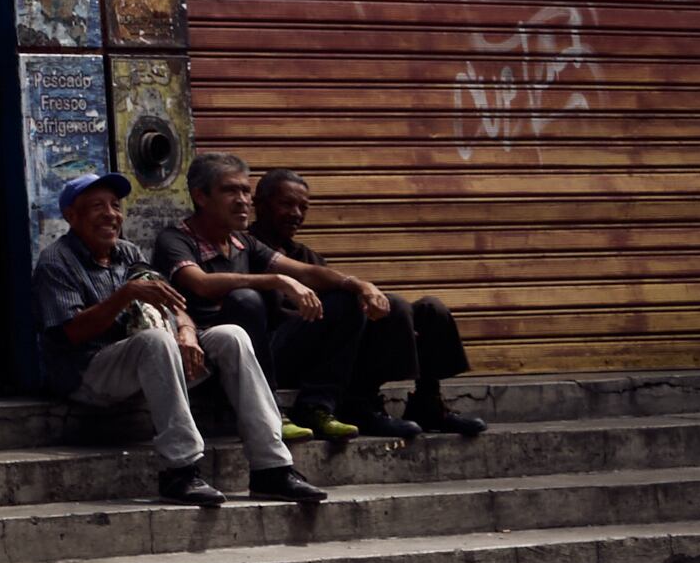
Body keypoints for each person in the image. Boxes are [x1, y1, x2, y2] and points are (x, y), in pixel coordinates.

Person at [31, 170, 324, 511]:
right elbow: (71, 333)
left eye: (115, 205)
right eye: (97, 206)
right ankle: (180, 470)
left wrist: (185, 329)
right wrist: (124, 296)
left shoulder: (126, 251)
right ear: (72, 216)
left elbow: (170, 300)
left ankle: (271, 467)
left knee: (231, 335)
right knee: (156, 340)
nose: (111, 214)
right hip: (87, 373)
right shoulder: (56, 261)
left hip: (143, 361)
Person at [152, 152, 399, 445]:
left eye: (245, 190)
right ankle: (270, 411)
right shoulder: (175, 240)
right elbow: (201, 284)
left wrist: (360, 285)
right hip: (207, 356)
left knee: (345, 301)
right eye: (230, 190)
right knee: (245, 299)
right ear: (201, 197)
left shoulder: (242, 242)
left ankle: (316, 406)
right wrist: (277, 280)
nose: (243, 199)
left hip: (258, 355)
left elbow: (306, 272)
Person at [258, 167, 486, 436]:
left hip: (328, 347)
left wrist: (386, 322)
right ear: (260, 205)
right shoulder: (247, 249)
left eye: (303, 207)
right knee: (352, 302)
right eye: (286, 204)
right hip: (280, 354)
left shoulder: (304, 254)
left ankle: (428, 401)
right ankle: (359, 405)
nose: (296, 214)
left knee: (425, 310)